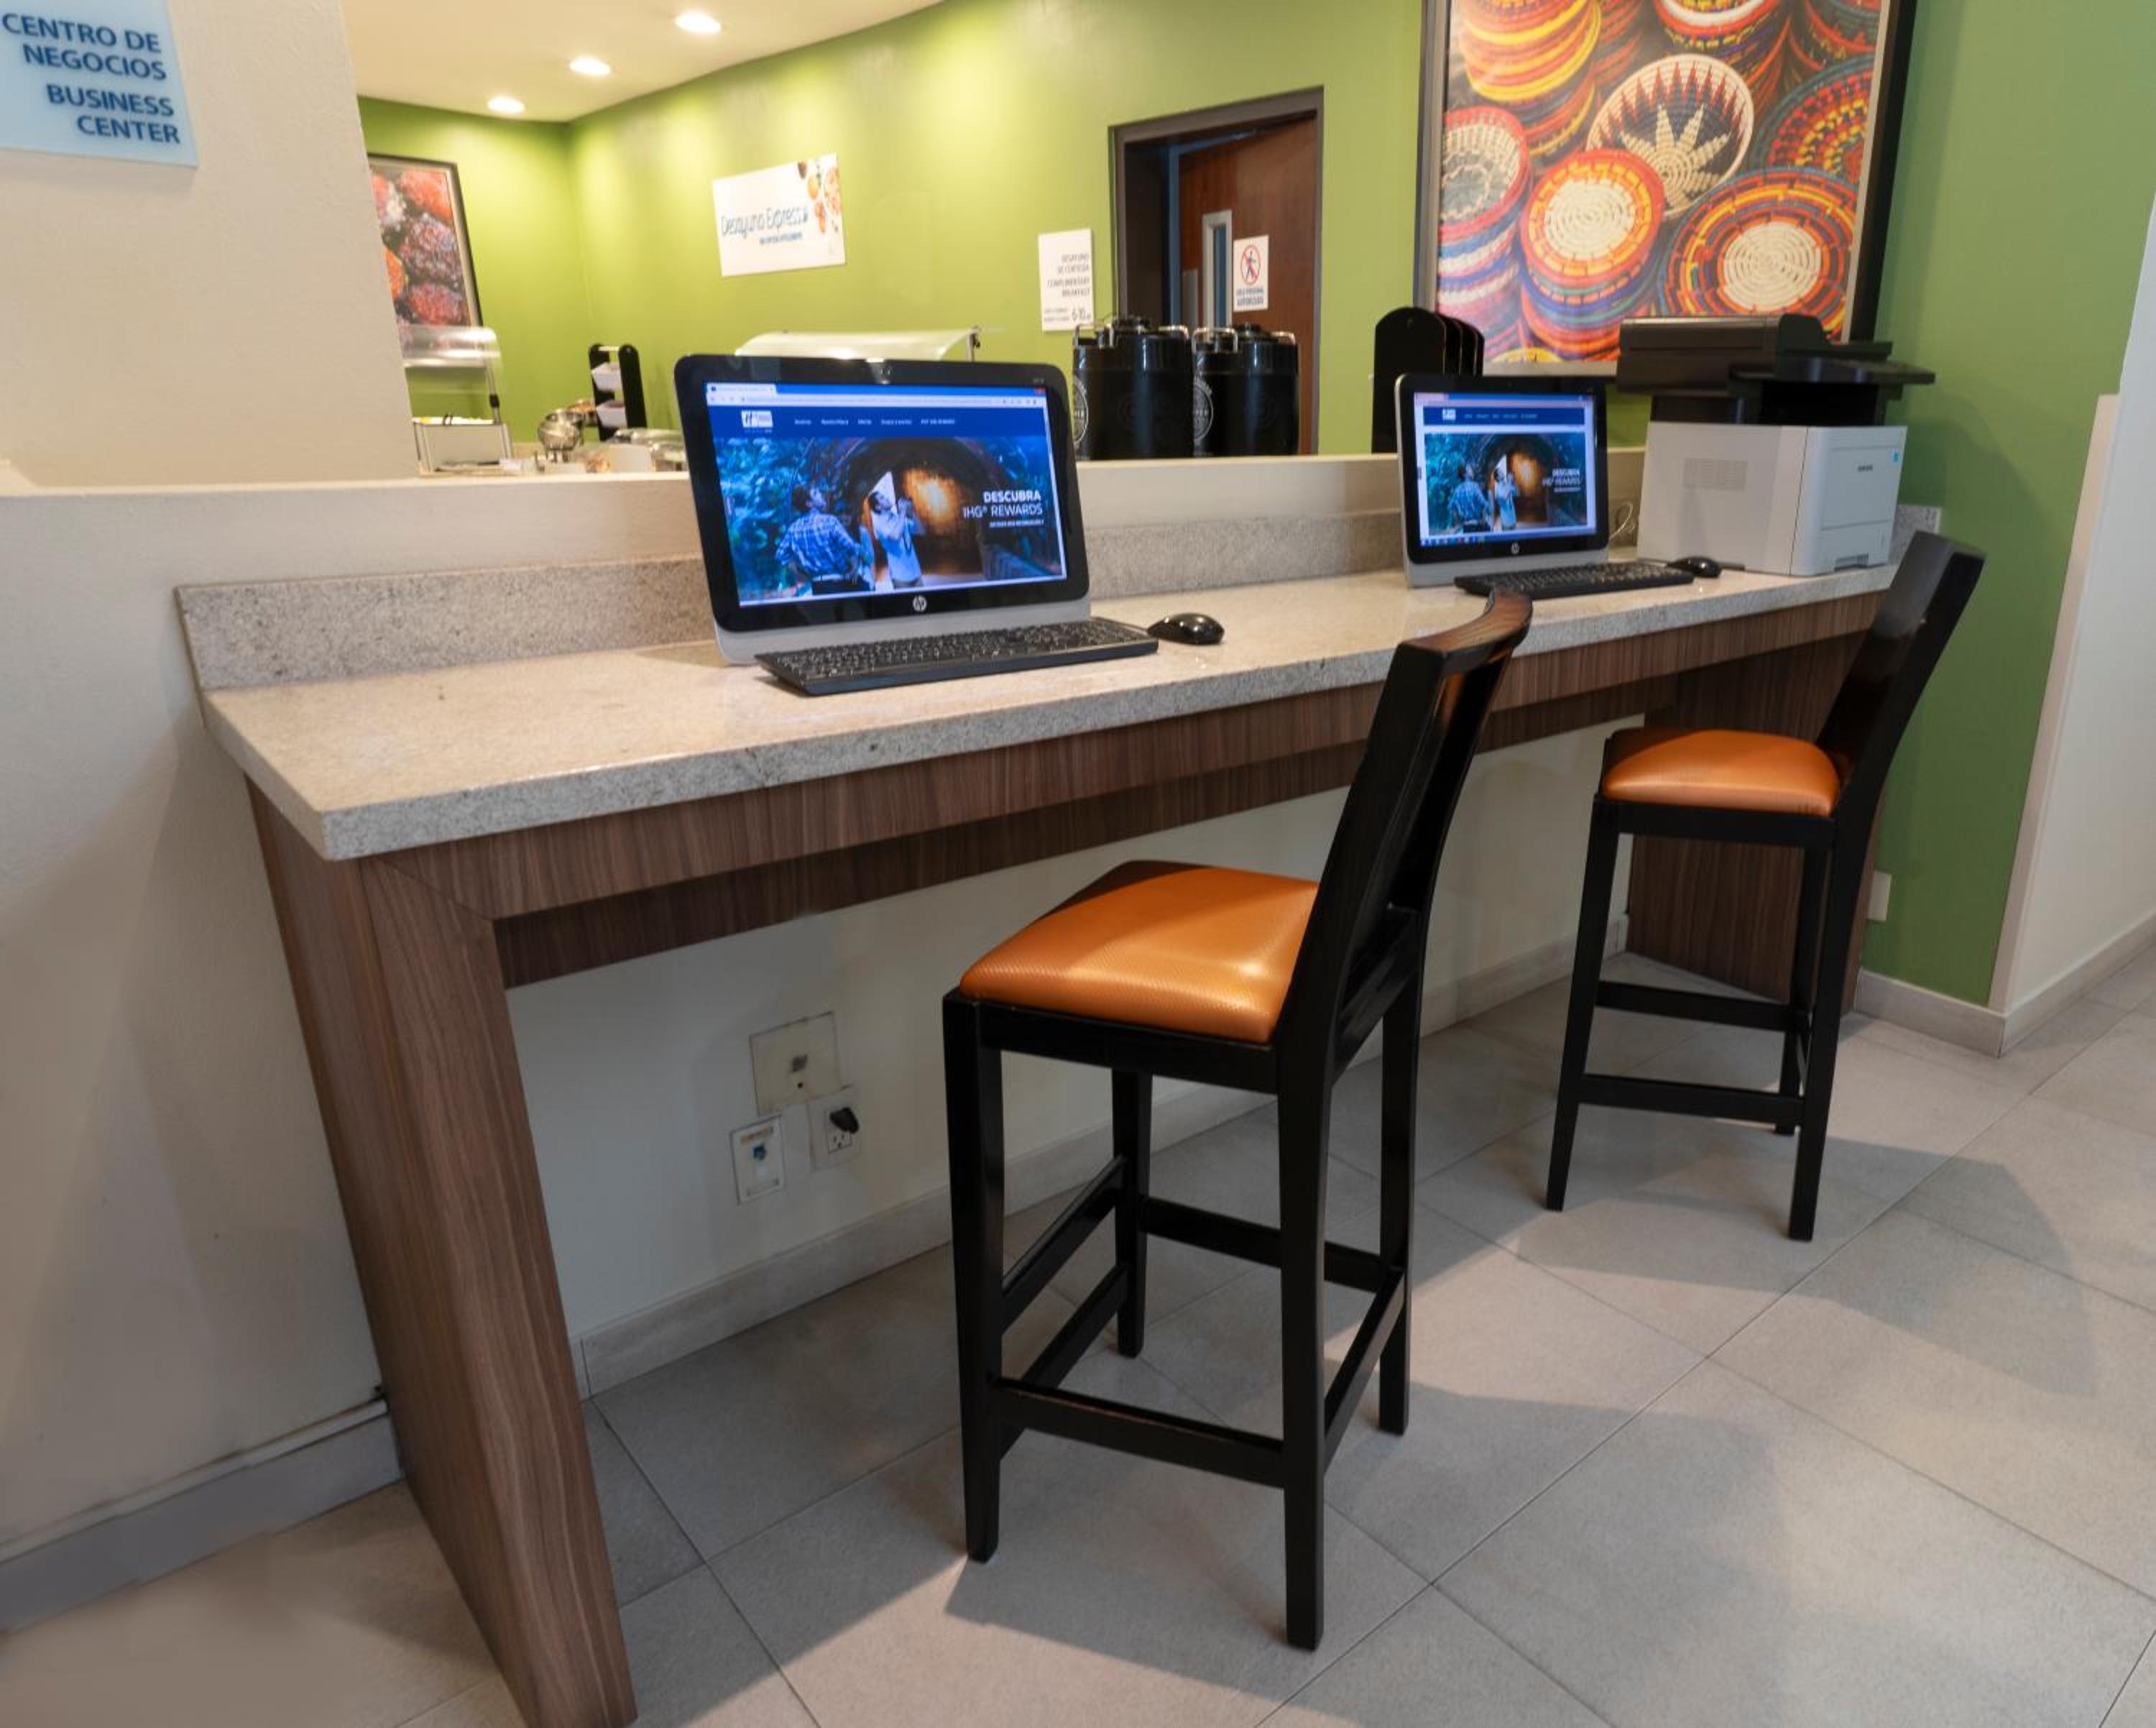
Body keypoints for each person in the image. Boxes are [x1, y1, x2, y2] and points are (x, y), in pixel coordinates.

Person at [776, 485, 869, 596]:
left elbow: (781, 554)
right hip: (842, 582)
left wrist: (801, 574)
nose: (821, 494)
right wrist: (854, 568)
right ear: (809, 504)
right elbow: (850, 547)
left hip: (818, 587)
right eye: (816, 493)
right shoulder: (829, 521)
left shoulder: (793, 529)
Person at [866, 472, 924, 588]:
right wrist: (902, 513)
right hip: (900, 576)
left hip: (916, 572)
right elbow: (895, 536)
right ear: (878, 507)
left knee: (923, 599)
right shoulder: (879, 523)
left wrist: (911, 512)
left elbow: (921, 530)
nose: (887, 498)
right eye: (882, 498)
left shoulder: (898, 518)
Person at [1447, 461, 1491, 535]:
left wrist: (1458, 522)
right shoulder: (1475, 486)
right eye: (1470, 469)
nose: (1472, 471)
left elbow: (1451, 507)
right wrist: (1490, 501)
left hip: (1465, 527)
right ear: (1465, 474)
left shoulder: (1457, 489)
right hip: (1477, 526)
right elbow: (1485, 504)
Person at [1491, 458, 1519, 531]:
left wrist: (1513, 482)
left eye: (1502, 471)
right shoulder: (1498, 488)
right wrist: (1509, 483)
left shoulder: (1506, 485)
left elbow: (1517, 493)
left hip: (1512, 517)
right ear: (1497, 477)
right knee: (1508, 536)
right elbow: (1504, 498)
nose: (1502, 473)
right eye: (1500, 472)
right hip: (1506, 519)